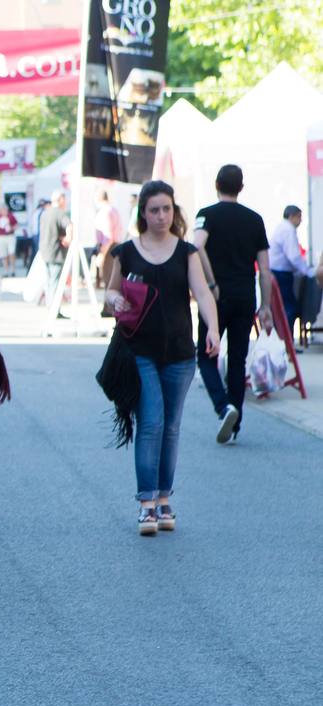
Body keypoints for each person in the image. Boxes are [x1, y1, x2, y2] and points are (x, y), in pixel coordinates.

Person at [103, 180, 220, 536]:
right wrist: (113, 300)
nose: (161, 216)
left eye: (166, 209)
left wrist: (213, 329)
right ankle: (146, 503)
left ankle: (165, 497)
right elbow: (110, 289)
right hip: (139, 349)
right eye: (154, 210)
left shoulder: (187, 252)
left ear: (175, 211)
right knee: (151, 423)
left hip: (180, 352)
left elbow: (202, 292)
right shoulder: (126, 251)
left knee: (171, 427)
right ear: (143, 213)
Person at [193, 164, 275, 444]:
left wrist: (211, 281)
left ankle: (223, 407)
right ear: (241, 187)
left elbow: (197, 245)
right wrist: (266, 307)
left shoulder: (206, 215)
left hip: (214, 297)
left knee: (206, 355)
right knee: (238, 360)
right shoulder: (255, 220)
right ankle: (235, 421)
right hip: (245, 295)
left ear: (216, 184)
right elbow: (265, 269)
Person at [269, 205, 310, 338]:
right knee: (288, 308)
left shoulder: (282, 228)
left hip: (277, 272)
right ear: (292, 216)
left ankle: (284, 341)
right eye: (299, 217)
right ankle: (287, 341)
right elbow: (294, 256)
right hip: (281, 274)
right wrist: (307, 271)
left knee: (282, 307)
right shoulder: (288, 230)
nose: (300, 221)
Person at [39, 189, 71, 290]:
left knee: (49, 281)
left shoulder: (45, 213)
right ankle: (53, 305)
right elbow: (70, 226)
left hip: (45, 251)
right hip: (56, 252)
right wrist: (68, 238)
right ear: (60, 200)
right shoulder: (60, 213)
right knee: (54, 282)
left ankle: (50, 304)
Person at [92, 190, 124, 288]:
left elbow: (108, 236)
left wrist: (102, 254)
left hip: (109, 248)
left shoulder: (105, 212)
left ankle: (109, 303)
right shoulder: (113, 210)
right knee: (112, 280)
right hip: (114, 246)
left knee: (109, 280)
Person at [0, 203, 18, 276]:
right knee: (4, 255)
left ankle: (13, 270)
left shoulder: (11, 216)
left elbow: (16, 225)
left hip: (10, 236)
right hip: (1, 237)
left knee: (11, 253)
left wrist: (11, 229)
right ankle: (6, 270)